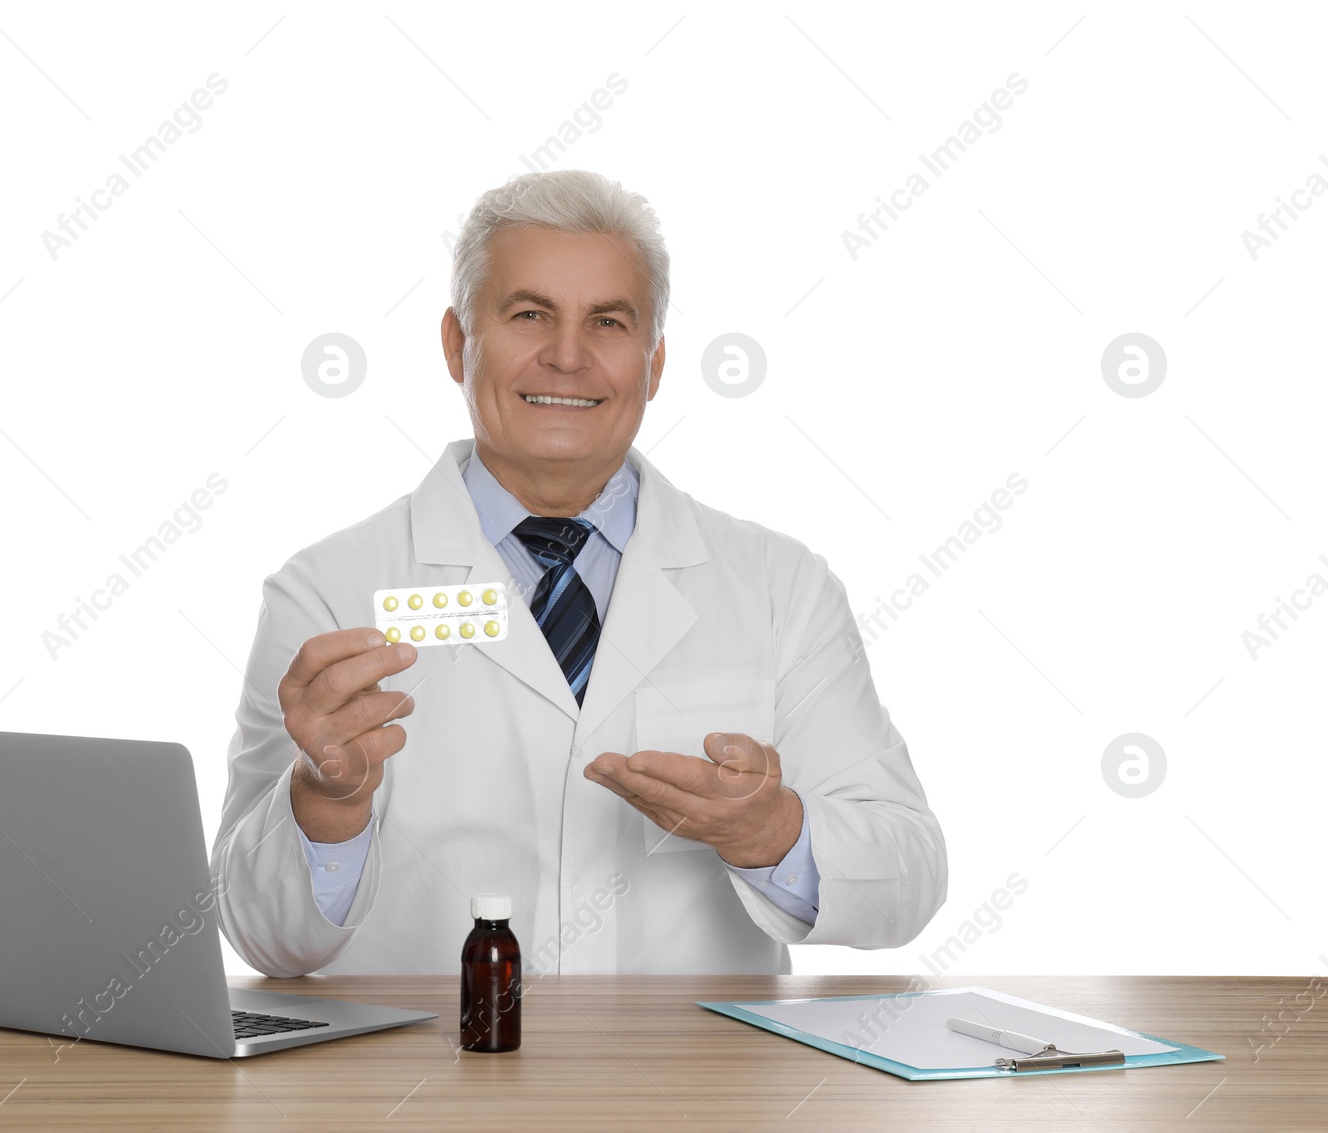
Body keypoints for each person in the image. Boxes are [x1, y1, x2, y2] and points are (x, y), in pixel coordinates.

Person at [210, 169, 946, 976]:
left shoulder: (782, 587)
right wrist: (328, 802)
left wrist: (770, 834)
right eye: (530, 314)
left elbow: (910, 876)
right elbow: (261, 937)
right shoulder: (325, 591)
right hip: (421, 1095)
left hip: (694, 1096)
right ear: (458, 345)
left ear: (654, 362)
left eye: (608, 322)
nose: (568, 357)